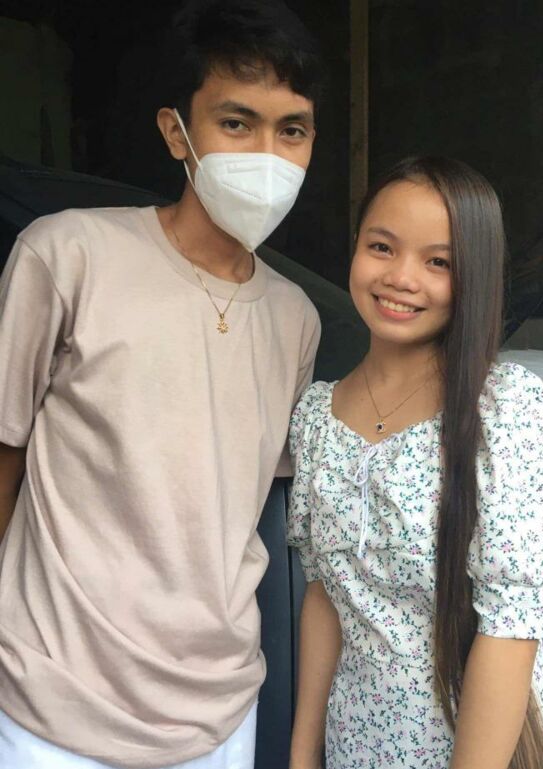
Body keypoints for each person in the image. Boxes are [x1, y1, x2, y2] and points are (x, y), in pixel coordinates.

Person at [0, 2, 322, 768]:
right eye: (237, 123)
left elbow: (244, 507)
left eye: (292, 130)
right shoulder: (66, 255)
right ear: (177, 132)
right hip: (51, 706)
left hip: (219, 711)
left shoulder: (297, 319)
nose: (268, 156)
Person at [287, 156, 543, 769]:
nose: (401, 277)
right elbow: (325, 598)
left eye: (438, 262)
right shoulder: (316, 415)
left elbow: (510, 632)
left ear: (475, 275)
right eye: (382, 247)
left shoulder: (506, 412)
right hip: (354, 745)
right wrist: (302, 754)